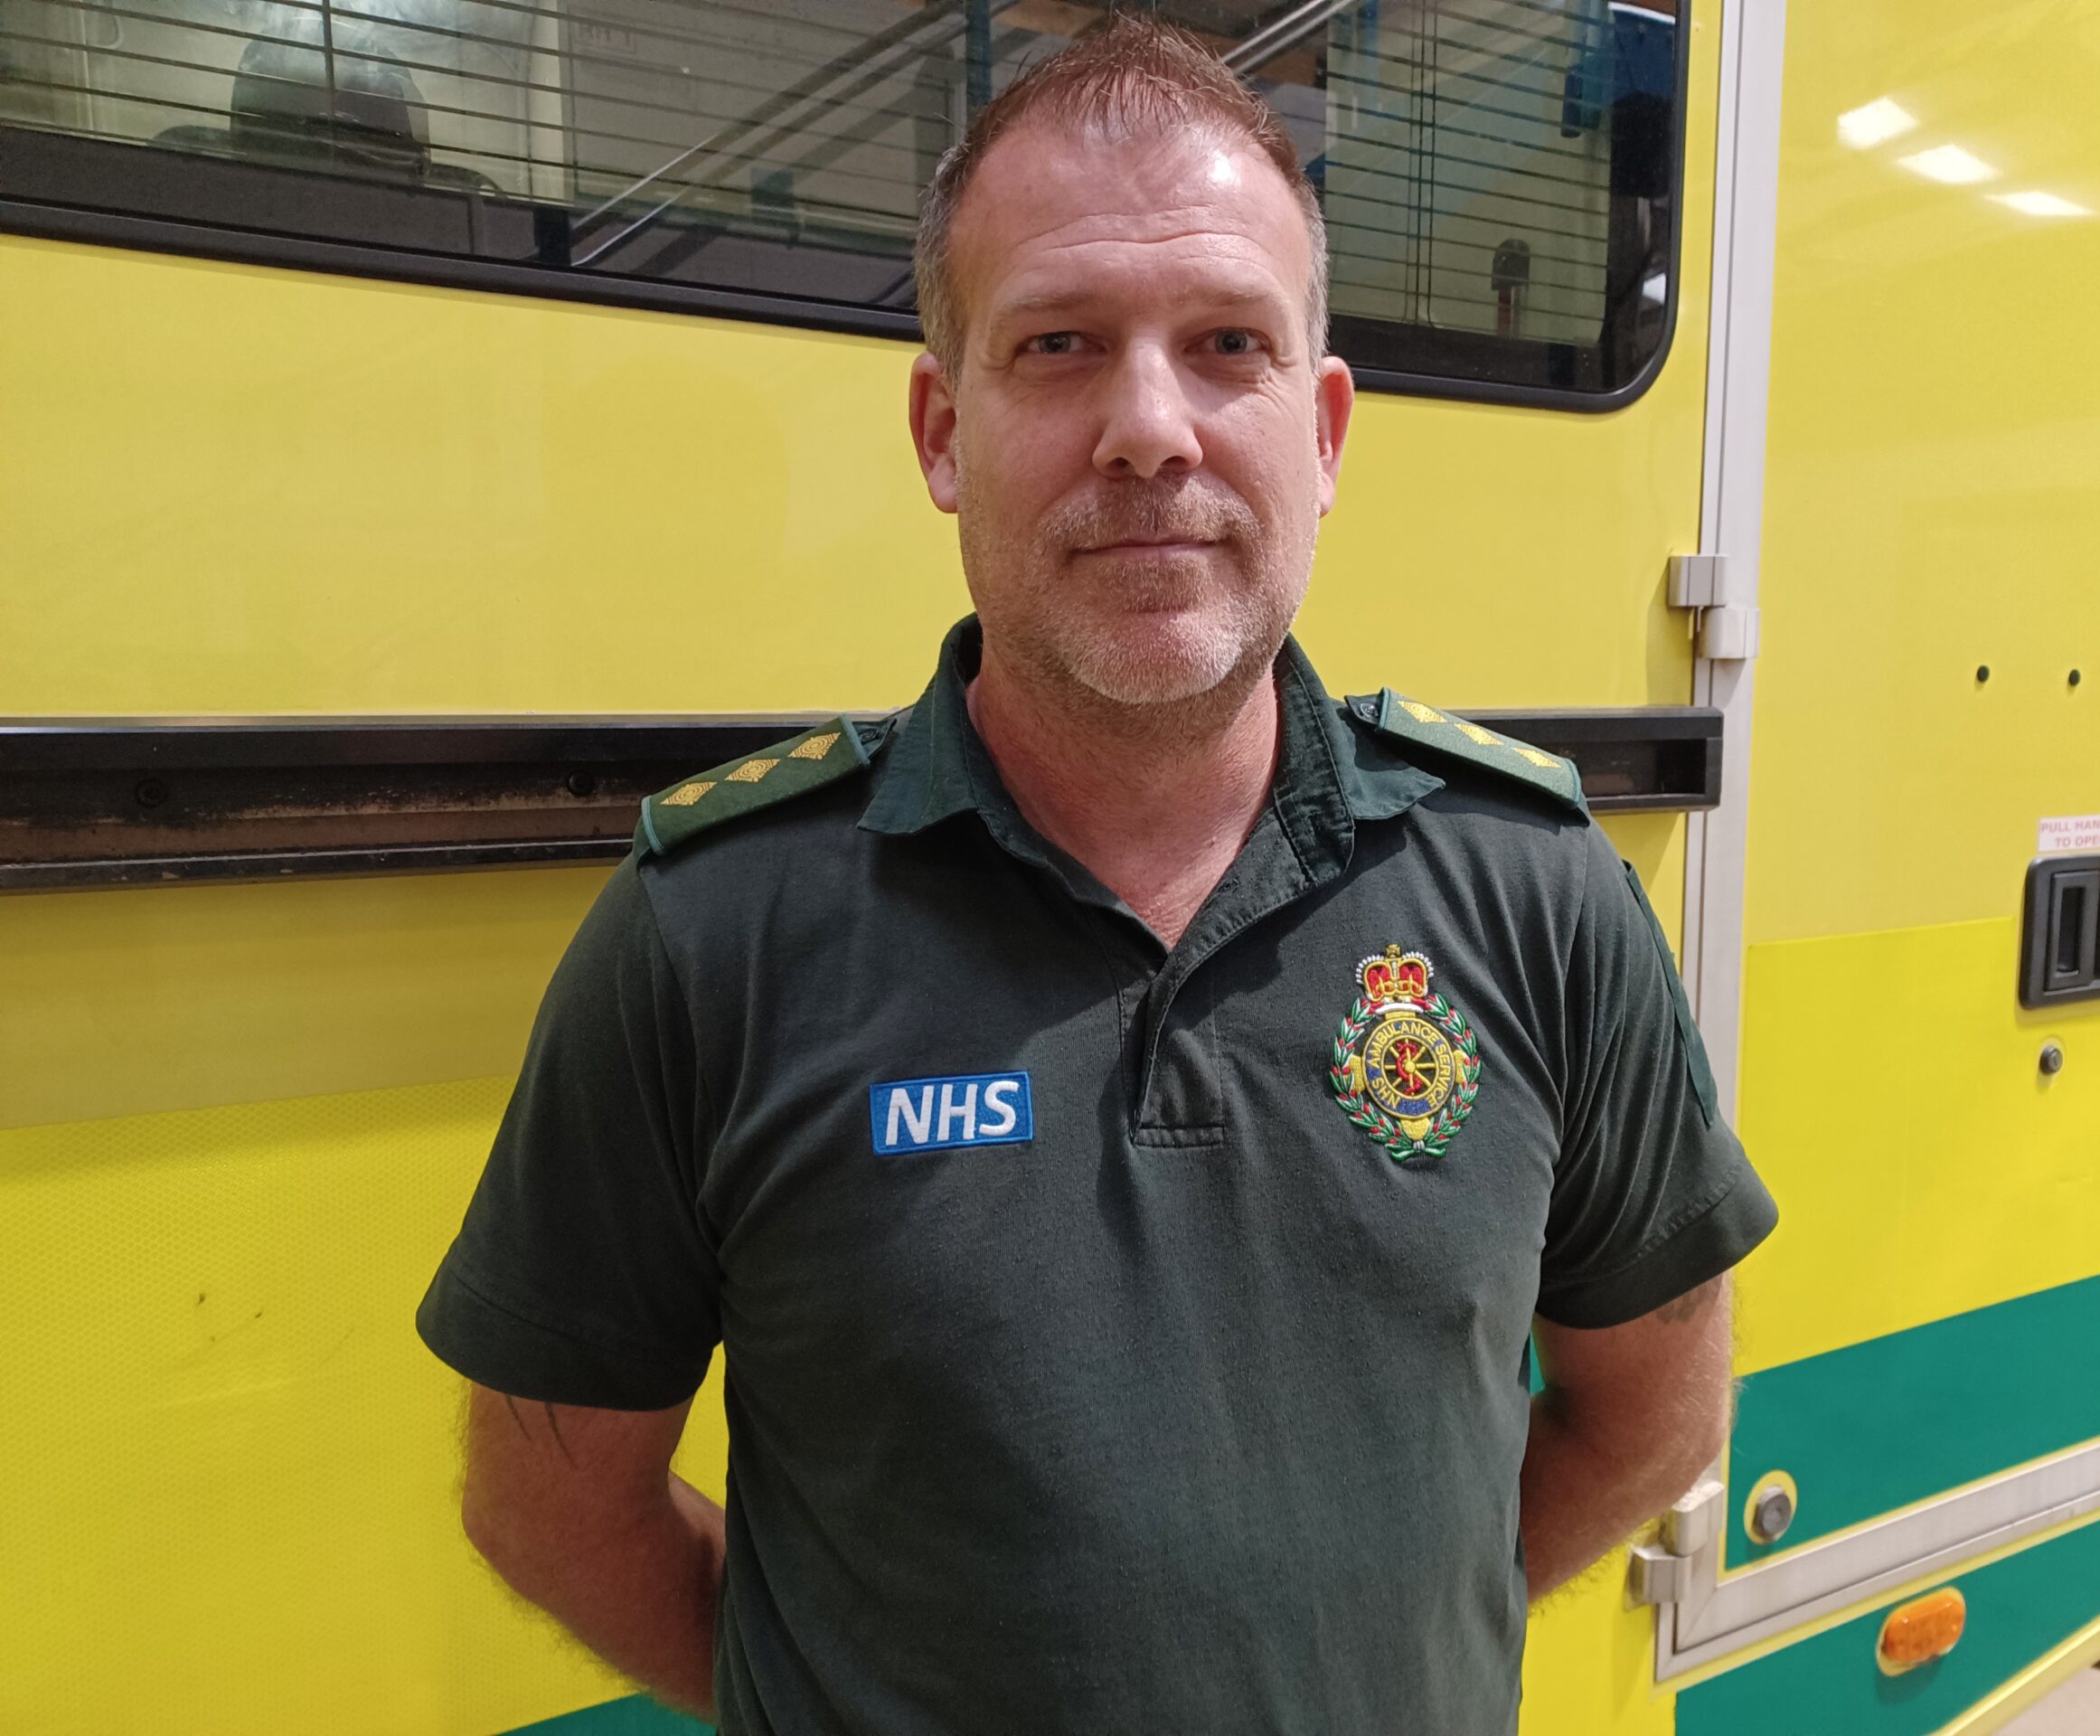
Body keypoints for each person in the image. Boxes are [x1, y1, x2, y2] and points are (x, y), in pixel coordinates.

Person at [417, 20, 1776, 1736]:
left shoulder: (1534, 896)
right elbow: (548, 1503)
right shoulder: (712, 937)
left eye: (1229, 346)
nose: (1152, 428)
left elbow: (1656, 1407)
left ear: (1325, 426)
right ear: (939, 427)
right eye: (1059, 345)